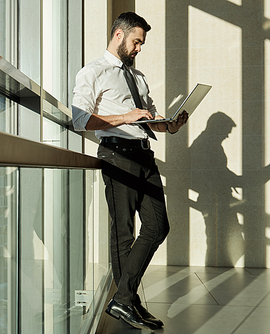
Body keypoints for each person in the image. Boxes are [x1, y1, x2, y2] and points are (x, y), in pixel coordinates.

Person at [71, 12, 188, 331]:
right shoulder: (92, 72)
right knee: (123, 230)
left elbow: (146, 120)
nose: (139, 48)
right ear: (119, 35)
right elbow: (80, 120)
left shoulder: (138, 78)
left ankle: (124, 297)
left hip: (144, 155)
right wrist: (123, 117)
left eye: (142, 43)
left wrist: (169, 125)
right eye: (137, 41)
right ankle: (127, 300)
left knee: (158, 226)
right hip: (116, 154)